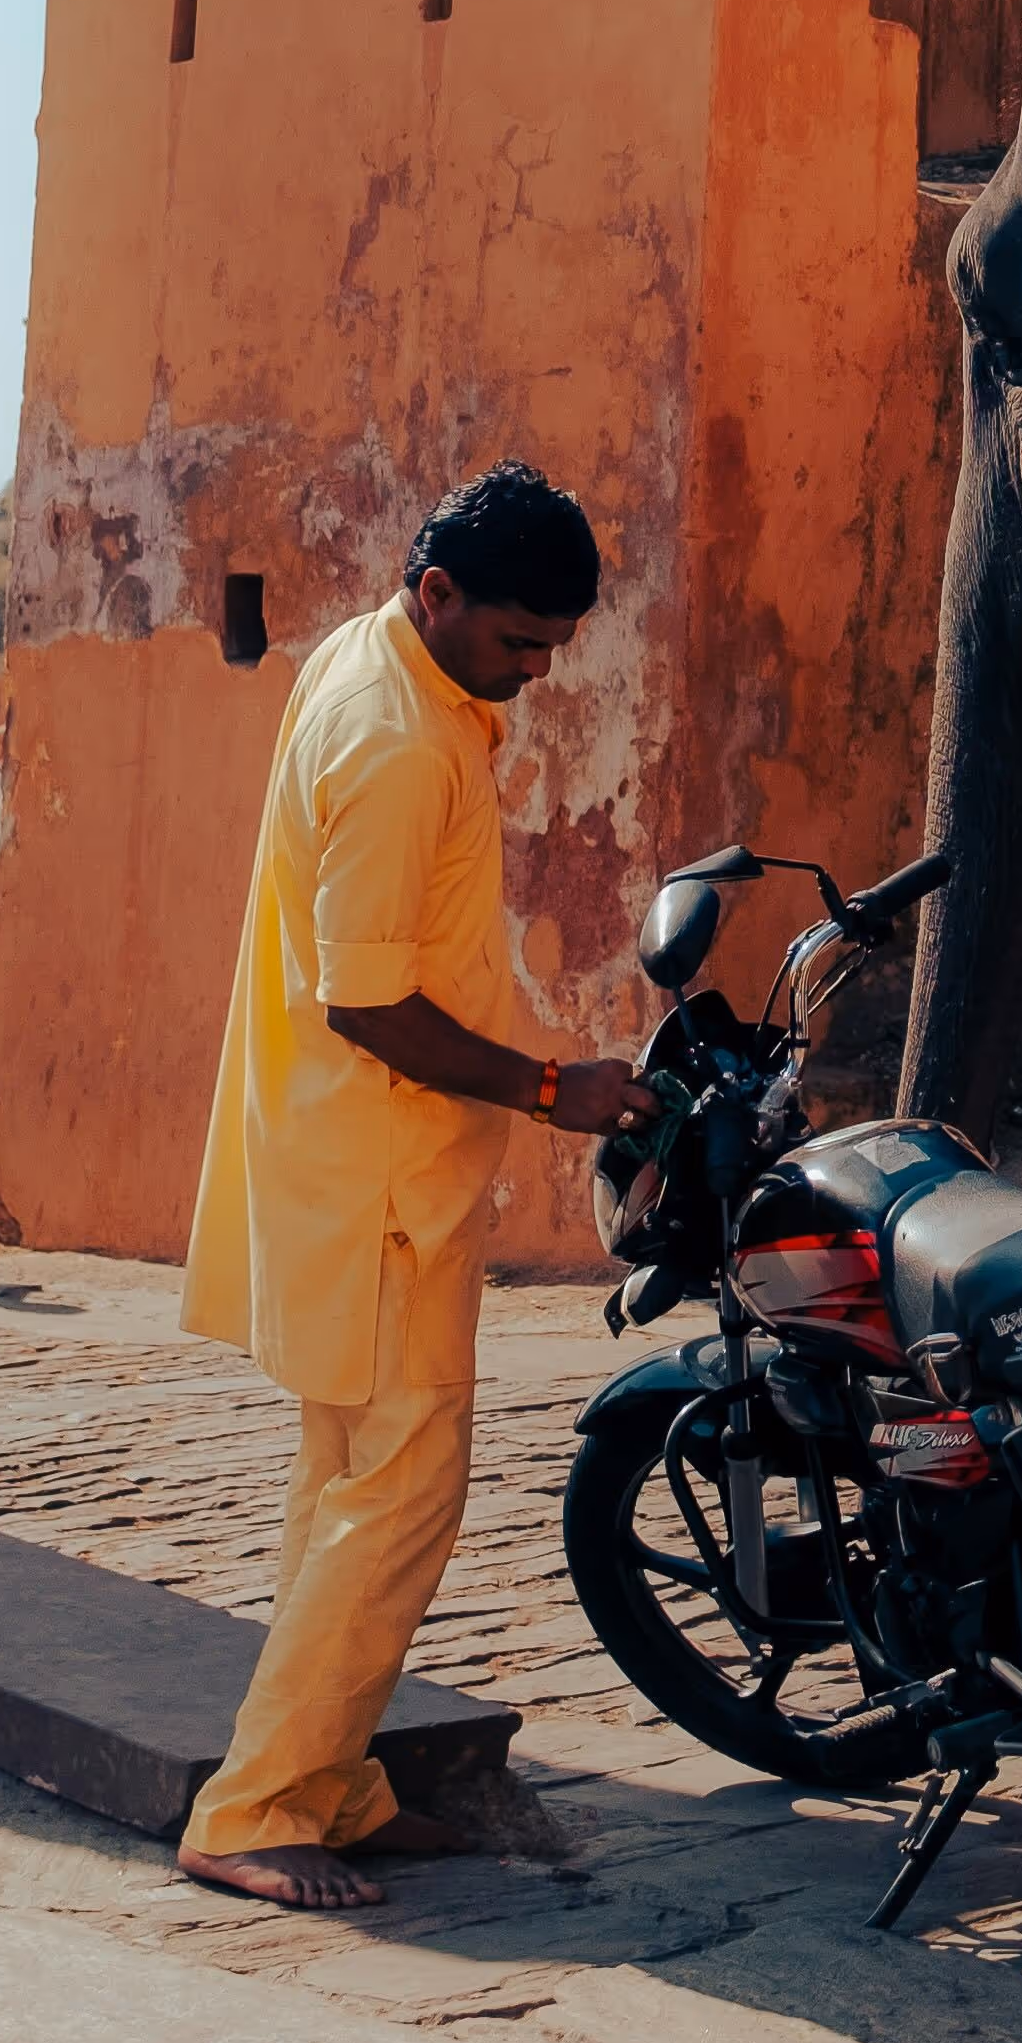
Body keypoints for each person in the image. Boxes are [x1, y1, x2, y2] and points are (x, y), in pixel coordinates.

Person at [175, 463, 645, 1911]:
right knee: (400, 1496)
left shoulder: (375, 662)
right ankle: (255, 1805)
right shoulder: (393, 739)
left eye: (552, 646)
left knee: (343, 1489)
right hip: (377, 1175)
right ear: (435, 592)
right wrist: (555, 1088)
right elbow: (367, 1001)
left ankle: (328, 1784)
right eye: (517, 641)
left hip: (352, 1162)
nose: (535, 672)